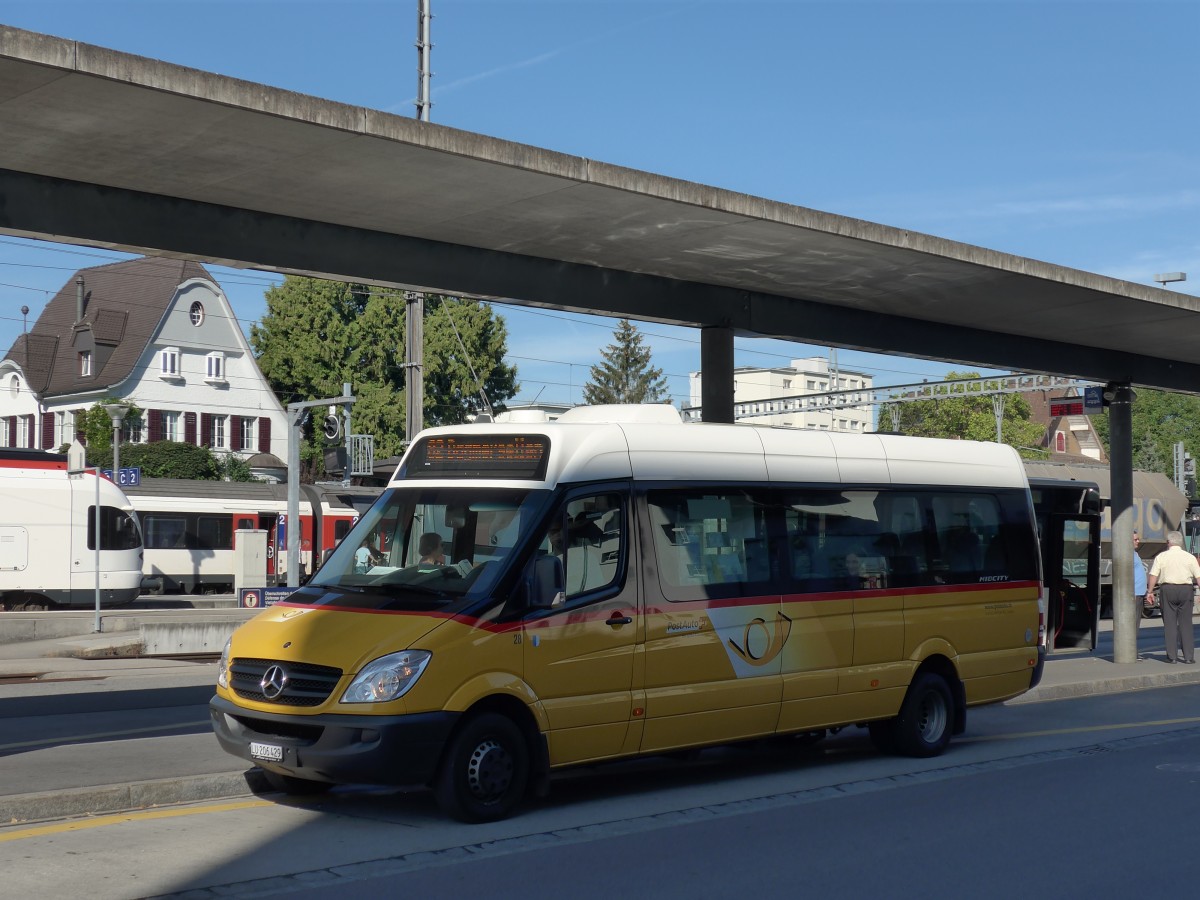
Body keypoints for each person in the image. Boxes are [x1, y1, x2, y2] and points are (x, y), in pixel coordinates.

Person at [1145, 530, 1200, 664]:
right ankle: (1188, 657)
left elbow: (1153, 575)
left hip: (1167, 589)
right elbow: (1198, 576)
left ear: (1168, 542)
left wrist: (1150, 592)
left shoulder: (1162, 557)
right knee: (1186, 624)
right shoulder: (1189, 557)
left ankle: (1172, 656)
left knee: (1170, 624)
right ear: (1180, 542)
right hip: (1186, 590)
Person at [1132, 531, 1148, 617]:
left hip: (1139, 593)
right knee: (1134, 621)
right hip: (1135, 593)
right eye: (1135, 539)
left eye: (1138, 539)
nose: (1138, 541)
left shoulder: (1135, 553)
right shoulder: (1128, 555)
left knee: (1136, 620)